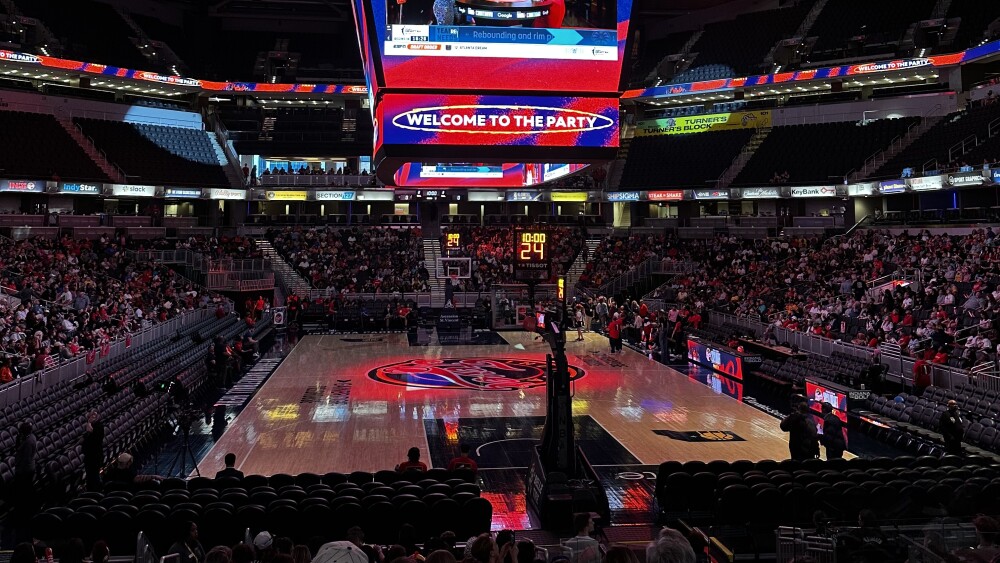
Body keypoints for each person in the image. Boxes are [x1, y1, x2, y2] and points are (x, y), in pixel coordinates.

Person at [13, 422, 37, 539]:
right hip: (29, 467)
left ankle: (24, 514)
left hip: (25, 470)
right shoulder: (31, 437)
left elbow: (24, 458)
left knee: (24, 491)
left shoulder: (28, 442)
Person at [83, 409, 105, 491]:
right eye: (90, 416)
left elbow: (89, 430)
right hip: (89, 456)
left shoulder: (98, 426)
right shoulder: (94, 426)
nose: (92, 417)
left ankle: (97, 490)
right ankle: (92, 489)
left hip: (95, 456)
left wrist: (88, 422)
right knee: (90, 475)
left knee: (94, 475)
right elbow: (85, 437)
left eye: (94, 415)